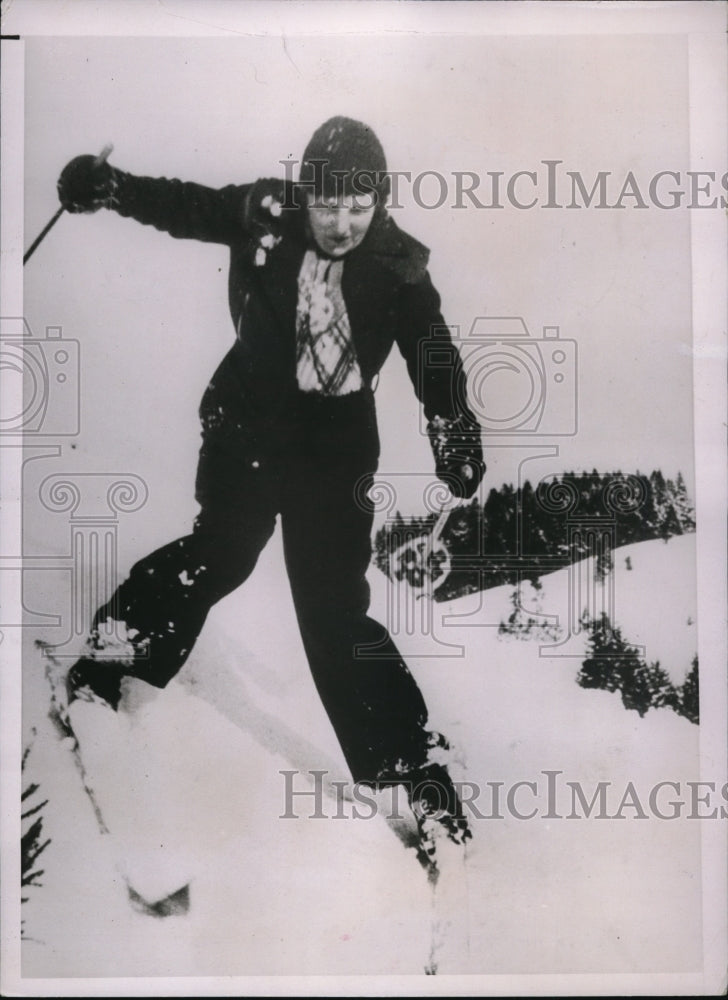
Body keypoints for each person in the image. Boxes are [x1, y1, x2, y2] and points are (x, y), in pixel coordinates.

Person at [56, 116, 485, 855]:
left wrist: (455, 432)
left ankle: (417, 775)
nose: (342, 222)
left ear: (379, 202)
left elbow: (433, 354)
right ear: (305, 193)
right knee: (223, 549)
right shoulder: (265, 213)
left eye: (360, 207)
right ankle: (111, 659)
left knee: (334, 614)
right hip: (249, 426)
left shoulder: (399, 265)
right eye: (328, 205)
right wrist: (113, 188)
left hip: (337, 450)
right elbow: (184, 205)